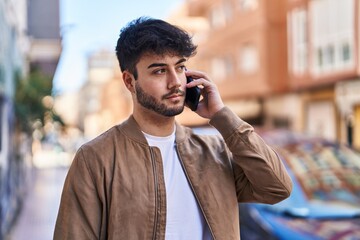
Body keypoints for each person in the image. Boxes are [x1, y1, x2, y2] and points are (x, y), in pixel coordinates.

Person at [54, 17, 292, 240]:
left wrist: (222, 117)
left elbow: (277, 188)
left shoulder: (214, 151)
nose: (176, 82)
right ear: (129, 81)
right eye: (159, 71)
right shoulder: (97, 158)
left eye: (179, 67)